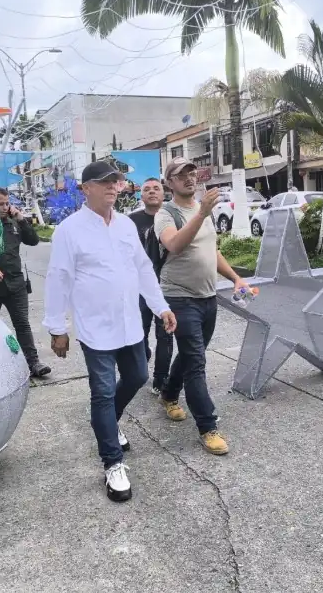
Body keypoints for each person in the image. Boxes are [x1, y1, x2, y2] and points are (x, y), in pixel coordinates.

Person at [43, 161, 177, 502]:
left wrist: (161, 306)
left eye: (116, 181)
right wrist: (58, 328)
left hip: (129, 323)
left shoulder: (125, 226)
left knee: (137, 376)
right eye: (104, 182)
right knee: (102, 392)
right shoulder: (69, 231)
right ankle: (112, 463)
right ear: (85, 188)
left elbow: (144, 269)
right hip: (95, 327)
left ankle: (107, 423)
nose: (113, 187)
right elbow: (59, 279)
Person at [155, 156, 249, 456]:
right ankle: (208, 426)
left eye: (192, 173)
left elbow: (212, 250)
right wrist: (203, 213)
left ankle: (169, 393)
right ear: (169, 182)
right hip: (179, 297)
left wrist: (236, 278)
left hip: (207, 297)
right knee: (196, 362)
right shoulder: (166, 214)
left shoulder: (201, 210)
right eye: (181, 174)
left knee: (192, 353)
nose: (189, 178)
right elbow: (175, 245)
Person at [0, 187, 51, 379]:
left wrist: (20, 219)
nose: (4, 207)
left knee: (22, 324)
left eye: (6, 203)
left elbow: (33, 241)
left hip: (15, 283)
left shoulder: (14, 223)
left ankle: (33, 362)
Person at [128, 177, 175, 395]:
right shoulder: (131, 221)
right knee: (139, 333)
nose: (152, 192)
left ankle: (161, 380)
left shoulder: (172, 217)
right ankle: (139, 368)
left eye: (156, 188)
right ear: (141, 195)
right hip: (139, 289)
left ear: (164, 192)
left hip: (167, 286)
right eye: (147, 189)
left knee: (165, 335)